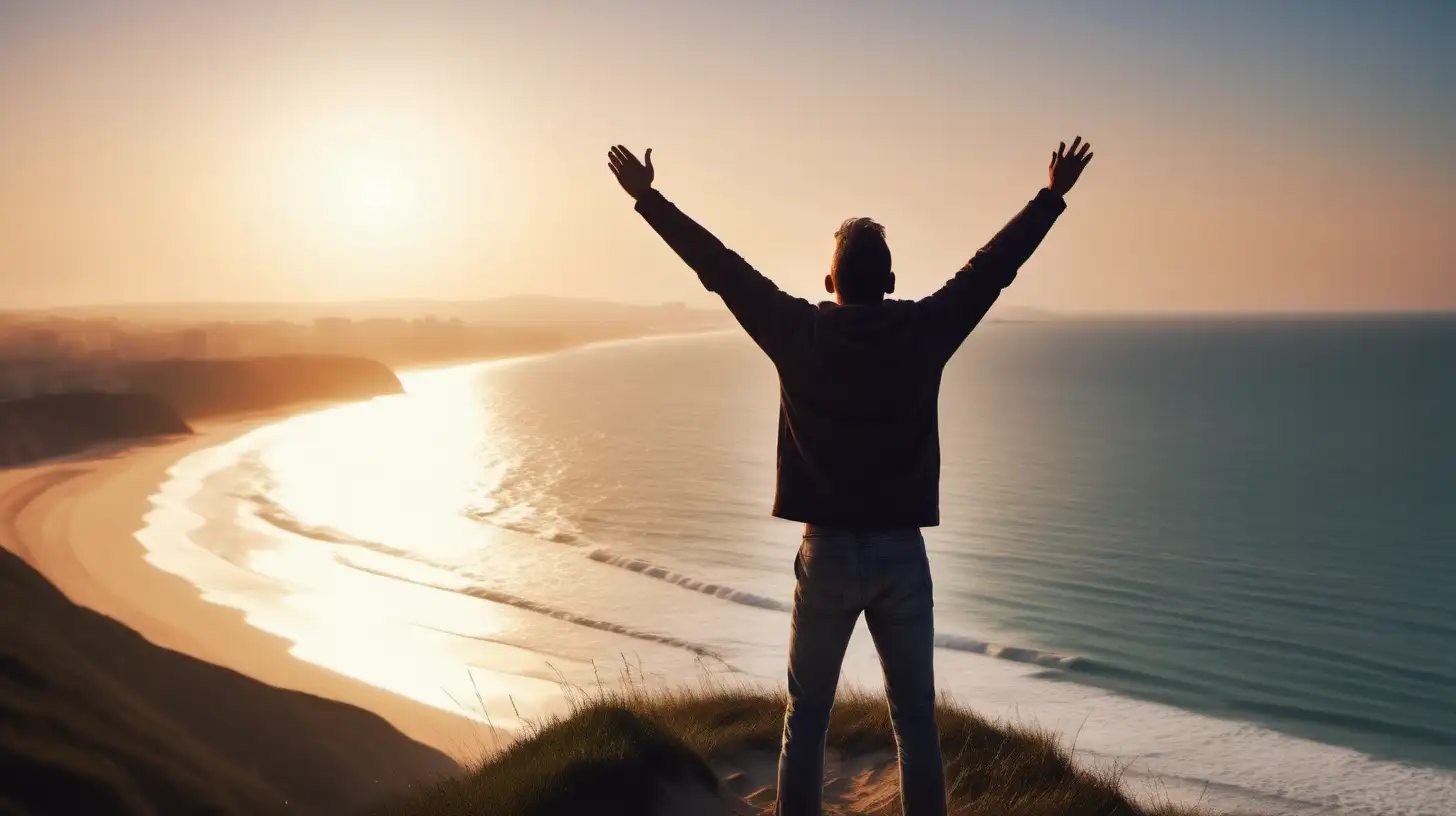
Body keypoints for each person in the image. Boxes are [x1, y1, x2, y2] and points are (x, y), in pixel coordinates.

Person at [608, 137, 1092, 816]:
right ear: (889, 282)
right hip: (900, 554)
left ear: (830, 283)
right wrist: (1051, 195)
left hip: (827, 551)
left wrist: (649, 200)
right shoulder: (924, 330)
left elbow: (719, 267)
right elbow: (993, 269)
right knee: (915, 724)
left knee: (805, 722)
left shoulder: (798, 332)